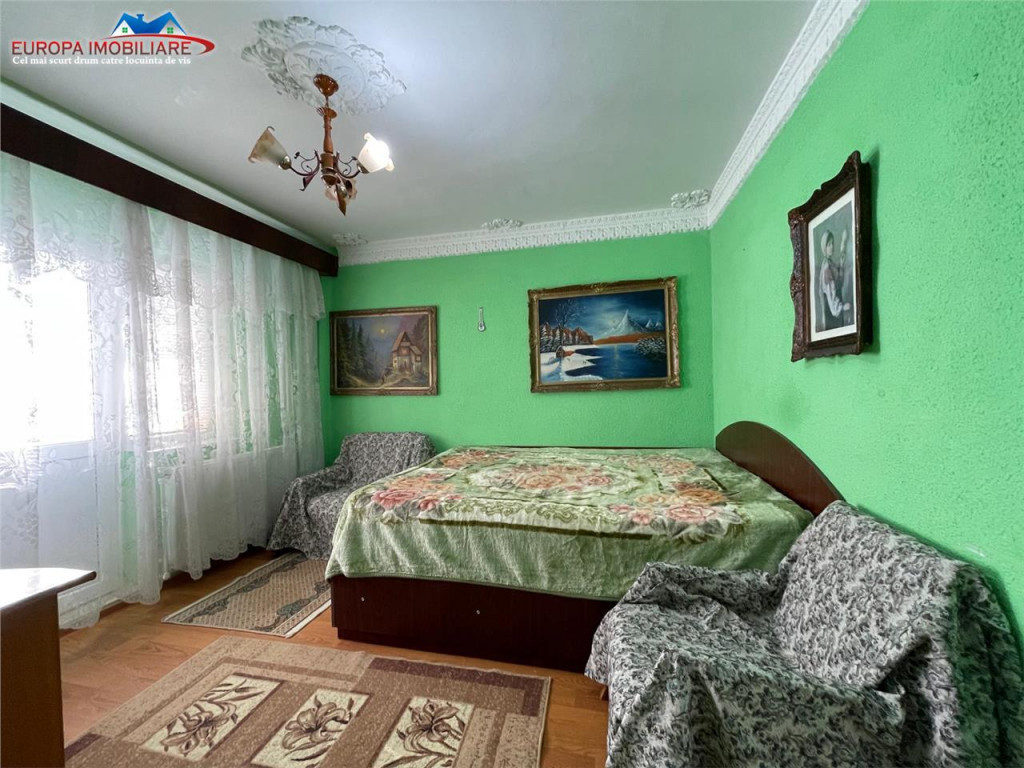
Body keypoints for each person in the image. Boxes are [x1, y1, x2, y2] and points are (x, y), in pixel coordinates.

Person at [818, 228, 851, 331]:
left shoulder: (831, 264)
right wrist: (842, 307)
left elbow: (839, 278)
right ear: (824, 248)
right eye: (829, 245)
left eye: (832, 243)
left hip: (836, 312)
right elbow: (831, 296)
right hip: (832, 315)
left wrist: (843, 242)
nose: (832, 246)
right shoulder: (826, 268)